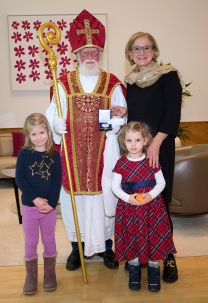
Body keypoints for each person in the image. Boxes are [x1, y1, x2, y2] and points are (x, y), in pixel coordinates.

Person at [46, 9, 127, 271]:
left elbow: (122, 117)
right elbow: (52, 115)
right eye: (85, 53)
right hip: (72, 153)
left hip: (106, 152)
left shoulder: (112, 83)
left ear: (100, 55)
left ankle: (106, 246)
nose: (90, 57)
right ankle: (76, 247)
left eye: (95, 52)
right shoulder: (62, 84)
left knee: (104, 199)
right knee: (73, 200)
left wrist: (116, 122)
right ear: (76, 56)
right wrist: (55, 125)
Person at [124, 31, 184, 283]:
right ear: (129, 53)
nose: (142, 52)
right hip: (136, 150)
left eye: (146, 47)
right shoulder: (131, 82)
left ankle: (168, 255)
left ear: (155, 51)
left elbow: (172, 114)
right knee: (137, 200)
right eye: (136, 48)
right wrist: (122, 110)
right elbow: (134, 116)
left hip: (159, 147)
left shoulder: (168, 76)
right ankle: (140, 253)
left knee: (159, 202)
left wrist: (156, 143)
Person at [111, 121, 177, 292]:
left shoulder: (151, 161)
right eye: (129, 141)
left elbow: (161, 183)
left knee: (153, 237)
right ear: (123, 142)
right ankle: (134, 271)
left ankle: (154, 271)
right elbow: (115, 187)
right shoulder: (121, 164)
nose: (133, 145)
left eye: (138, 140)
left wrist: (150, 196)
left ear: (146, 140)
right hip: (129, 210)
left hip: (152, 209)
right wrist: (128, 198)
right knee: (131, 238)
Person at [15, 113, 62, 295]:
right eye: (34, 134)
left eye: (41, 132)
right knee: (30, 241)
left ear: (48, 132)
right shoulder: (24, 154)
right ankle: (31, 276)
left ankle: (50, 273)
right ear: (28, 136)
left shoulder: (55, 156)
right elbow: (20, 179)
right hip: (29, 206)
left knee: (49, 239)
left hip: (49, 208)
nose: (38, 137)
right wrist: (35, 199)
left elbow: (56, 181)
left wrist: (51, 203)